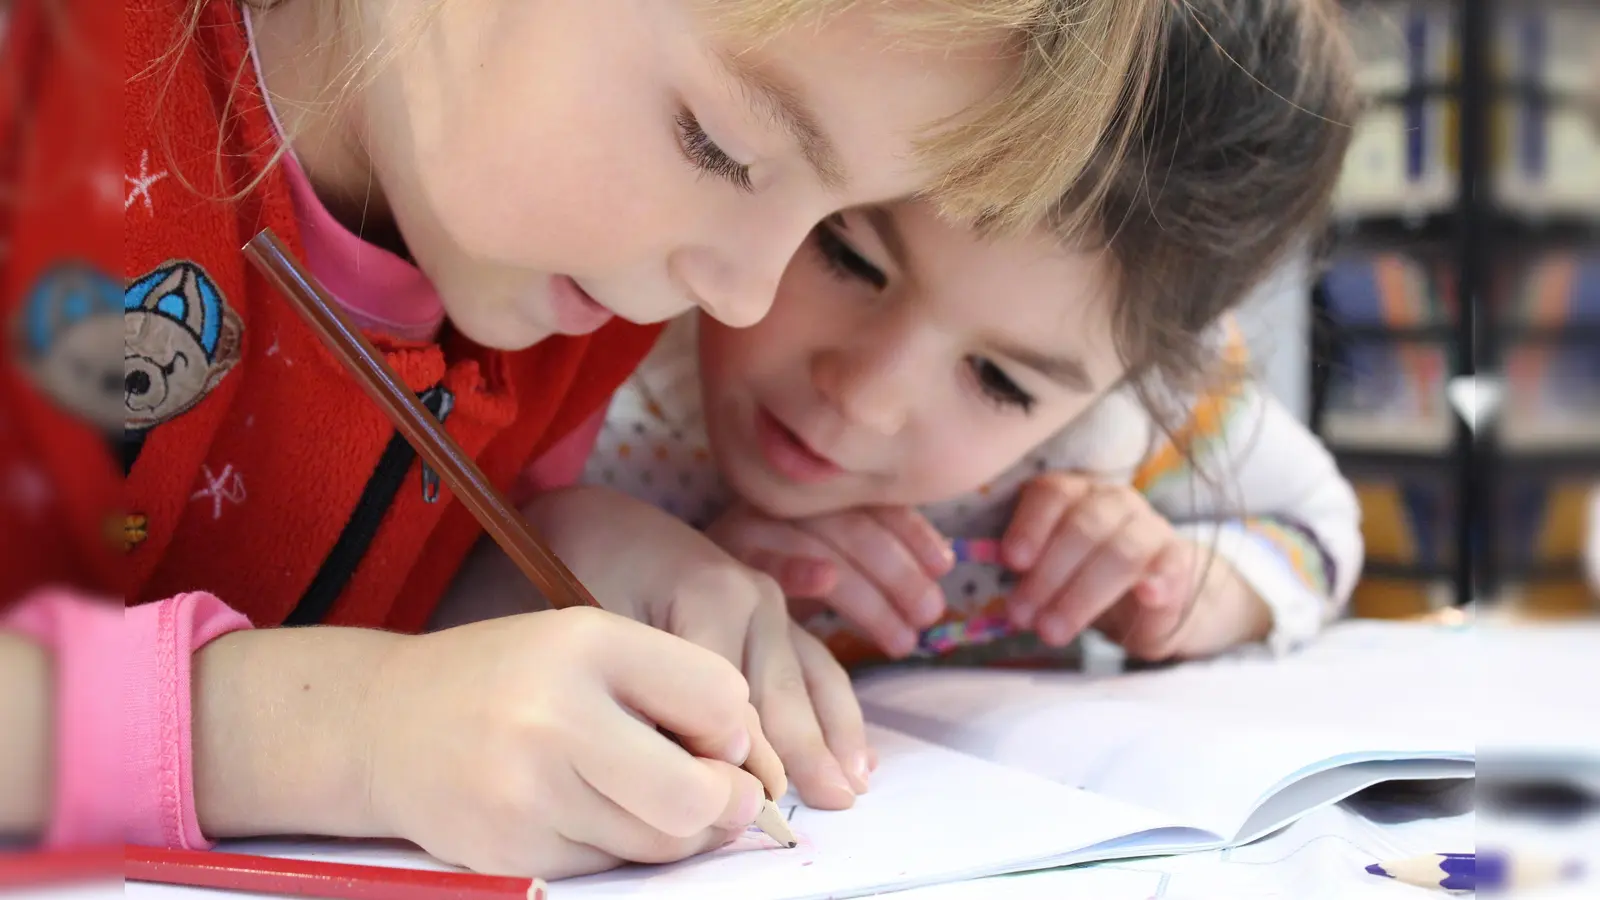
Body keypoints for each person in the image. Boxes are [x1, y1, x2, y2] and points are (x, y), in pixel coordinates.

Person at [0, 0, 1169, 880]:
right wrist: (337, 734)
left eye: (829, 220)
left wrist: (549, 567)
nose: (746, 298)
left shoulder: (566, 303)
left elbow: (351, 582)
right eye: (719, 148)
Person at [581, 0, 1364, 667]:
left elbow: (1320, 525)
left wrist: (1197, 587)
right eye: (849, 258)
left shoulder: (1134, 428)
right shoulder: (602, 315)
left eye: (1001, 382)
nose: (866, 398)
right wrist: (636, 574)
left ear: (1138, 380)